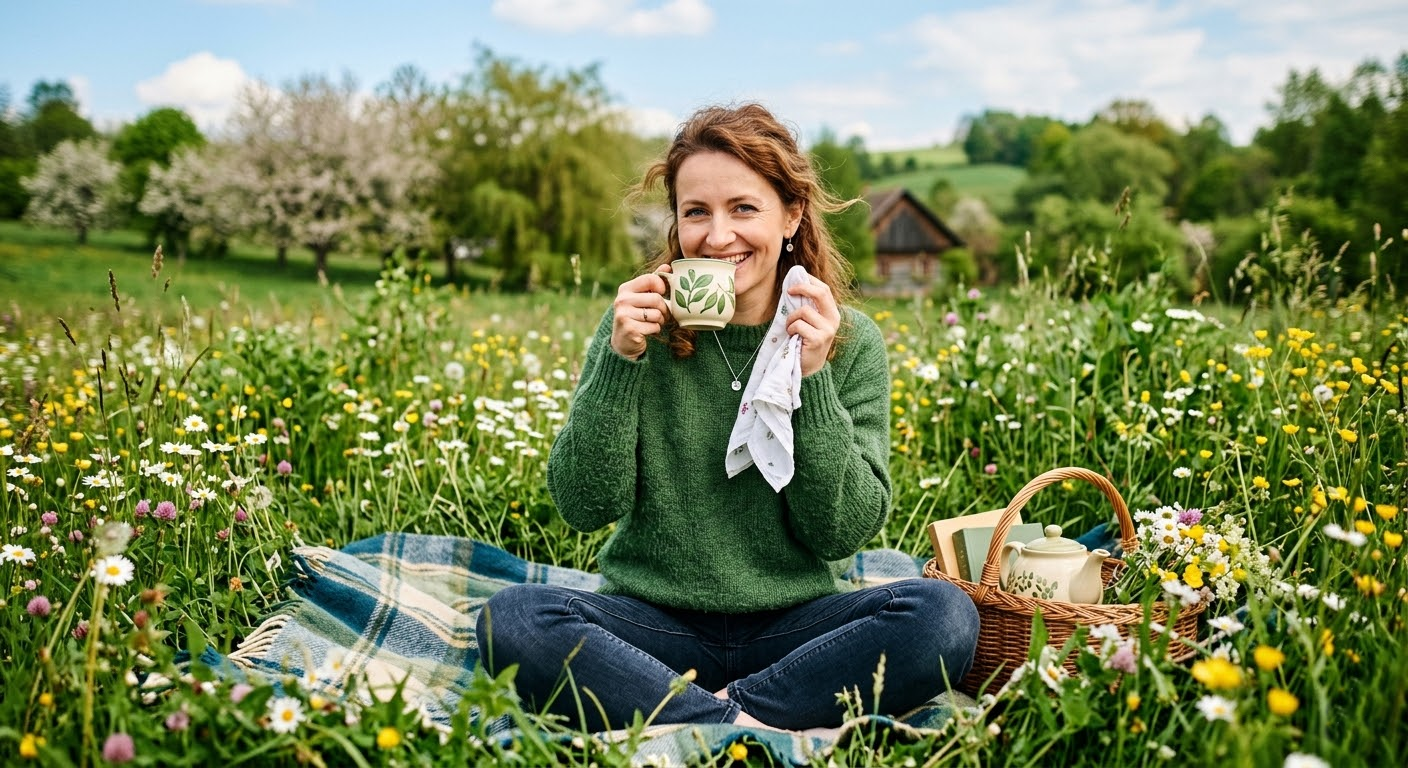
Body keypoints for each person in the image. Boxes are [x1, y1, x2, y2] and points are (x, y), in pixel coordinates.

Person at [477, 103, 979, 733]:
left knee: (945, 614)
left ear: (792, 215)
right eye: (696, 212)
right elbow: (584, 505)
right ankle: (745, 715)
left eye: (743, 208)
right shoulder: (638, 330)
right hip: (651, 623)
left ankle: (702, 714)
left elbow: (840, 532)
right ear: (676, 222)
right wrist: (620, 361)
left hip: (797, 627)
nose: (717, 237)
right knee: (514, 619)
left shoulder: (848, 341)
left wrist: (814, 375)